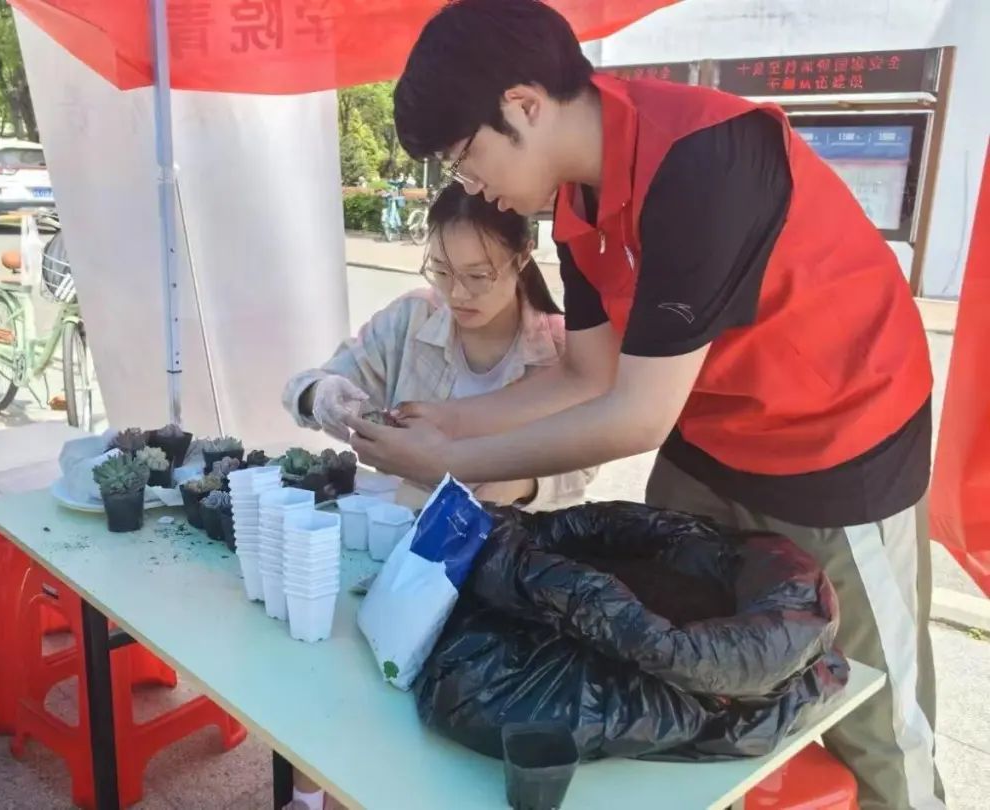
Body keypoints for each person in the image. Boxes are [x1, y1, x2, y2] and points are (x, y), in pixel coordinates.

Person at [345, 2, 943, 808]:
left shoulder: (704, 161)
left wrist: (449, 462)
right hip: (711, 437)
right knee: (681, 687)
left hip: (839, 444)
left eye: (465, 157)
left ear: (523, 105)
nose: (469, 185)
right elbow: (584, 375)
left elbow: (635, 416)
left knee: (870, 714)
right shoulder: (576, 205)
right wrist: (450, 420)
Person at [283, 180, 596, 513]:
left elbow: (583, 462)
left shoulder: (563, 349)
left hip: (509, 531)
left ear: (522, 257)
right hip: (404, 520)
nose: (457, 294)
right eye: (441, 271)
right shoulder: (411, 319)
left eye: (478, 276)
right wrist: (320, 394)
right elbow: (304, 387)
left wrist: (521, 484)